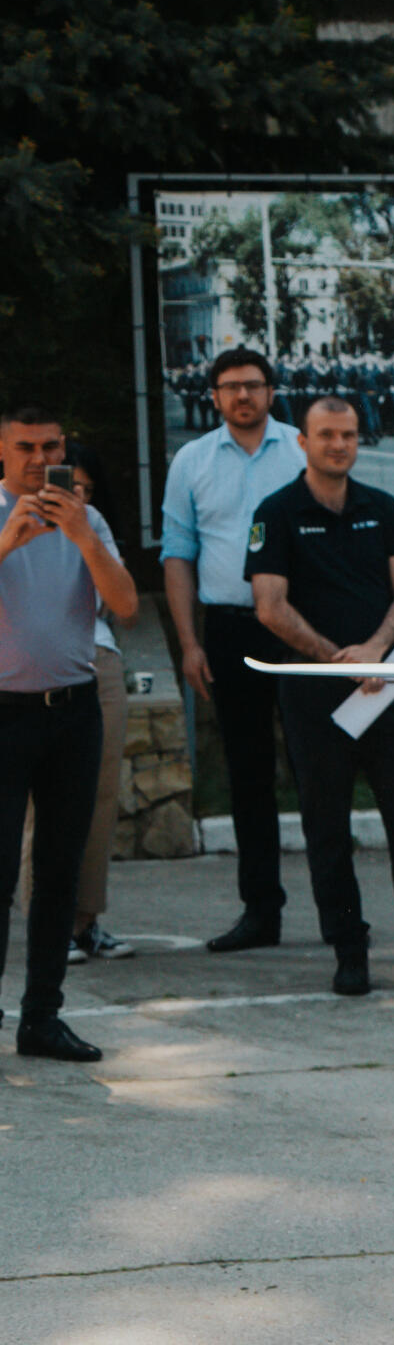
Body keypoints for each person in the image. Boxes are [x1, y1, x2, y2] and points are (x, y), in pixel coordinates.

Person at [247, 398, 394, 1000]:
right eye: (326, 435)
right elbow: (269, 607)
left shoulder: (381, 508)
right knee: (327, 829)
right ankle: (349, 951)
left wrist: (376, 650)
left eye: (349, 434)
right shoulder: (275, 513)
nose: (339, 445)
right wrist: (338, 659)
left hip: (384, 689)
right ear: (302, 442)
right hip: (313, 694)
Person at [0, 406, 139, 1062]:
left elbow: (128, 606)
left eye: (49, 446)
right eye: (24, 446)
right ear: (2, 450)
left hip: (72, 710)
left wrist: (84, 537)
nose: (38, 458)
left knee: (59, 870)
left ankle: (43, 1017)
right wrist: (8, 539)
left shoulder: (87, 519)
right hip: (3, 711)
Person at [161, 348, 309, 953]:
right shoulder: (191, 460)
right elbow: (178, 554)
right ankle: (261, 912)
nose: (242, 396)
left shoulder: (303, 449)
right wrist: (190, 643)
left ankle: (338, 910)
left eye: (253, 385)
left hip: (303, 633)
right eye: (230, 388)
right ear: (214, 397)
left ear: (271, 391)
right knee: (249, 775)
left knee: (318, 770)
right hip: (228, 631)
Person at [61, 446, 134, 964]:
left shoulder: (93, 524)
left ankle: (86, 922)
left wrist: (81, 531)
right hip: (24, 673)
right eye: (68, 483)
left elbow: (117, 602)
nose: (75, 494)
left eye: (84, 487)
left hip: (97, 659)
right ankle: (54, 925)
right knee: (43, 811)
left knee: (99, 799)